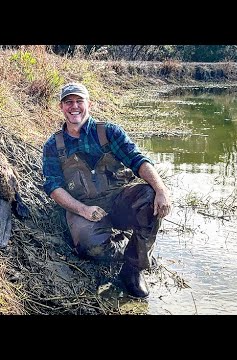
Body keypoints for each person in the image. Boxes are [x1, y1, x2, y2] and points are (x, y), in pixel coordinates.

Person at [42, 82, 172, 298]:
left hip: (118, 200)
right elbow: (53, 187)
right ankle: (123, 244)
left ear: (89, 104)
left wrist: (161, 189)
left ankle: (132, 270)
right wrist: (83, 209)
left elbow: (138, 161)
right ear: (61, 107)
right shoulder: (53, 145)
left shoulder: (109, 132)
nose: (74, 107)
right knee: (91, 249)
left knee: (149, 198)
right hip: (83, 207)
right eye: (68, 102)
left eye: (79, 101)